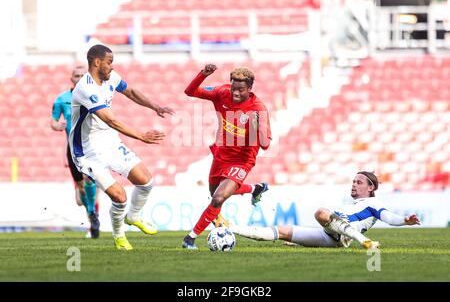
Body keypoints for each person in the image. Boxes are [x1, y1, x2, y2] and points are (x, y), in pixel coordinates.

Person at [69, 44, 174, 250]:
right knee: (120, 196)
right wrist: (141, 136)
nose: (112, 66)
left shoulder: (111, 77)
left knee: (146, 182)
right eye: (109, 62)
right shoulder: (85, 88)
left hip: (109, 141)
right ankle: (119, 236)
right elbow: (110, 120)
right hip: (87, 152)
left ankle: (133, 216)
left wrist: (155, 107)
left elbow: (132, 92)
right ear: (97, 62)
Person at [182, 64, 272, 249]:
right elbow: (189, 91)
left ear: (249, 89)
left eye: (241, 89)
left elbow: (265, 144)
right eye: (234, 88)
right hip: (221, 155)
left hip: (242, 161)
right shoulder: (222, 92)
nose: (236, 93)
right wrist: (202, 75)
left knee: (218, 198)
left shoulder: (258, 108)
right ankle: (255, 188)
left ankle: (190, 238)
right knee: (214, 193)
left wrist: (256, 126)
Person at [230, 171, 421, 249]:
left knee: (321, 213)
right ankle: (231, 228)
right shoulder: (352, 203)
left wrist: (405, 221)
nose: (354, 185)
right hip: (329, 236)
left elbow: (388, 217)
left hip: (343, 237)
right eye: (353, 181)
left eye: (359, 182)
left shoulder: (374, 203)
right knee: (281, 231)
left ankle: (365, 241)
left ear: (370, 188)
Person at [51, 66, 100, 238]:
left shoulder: (94, 96)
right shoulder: (62, 99)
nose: (79, 78)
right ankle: (91, 214)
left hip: (91, 146)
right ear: (71, 79)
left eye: (82, 76)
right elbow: (53, 122)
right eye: (76, 76)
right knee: (80, 196)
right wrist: (58, 126)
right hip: (72, 148)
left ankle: (94, 216)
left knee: (90, 178)